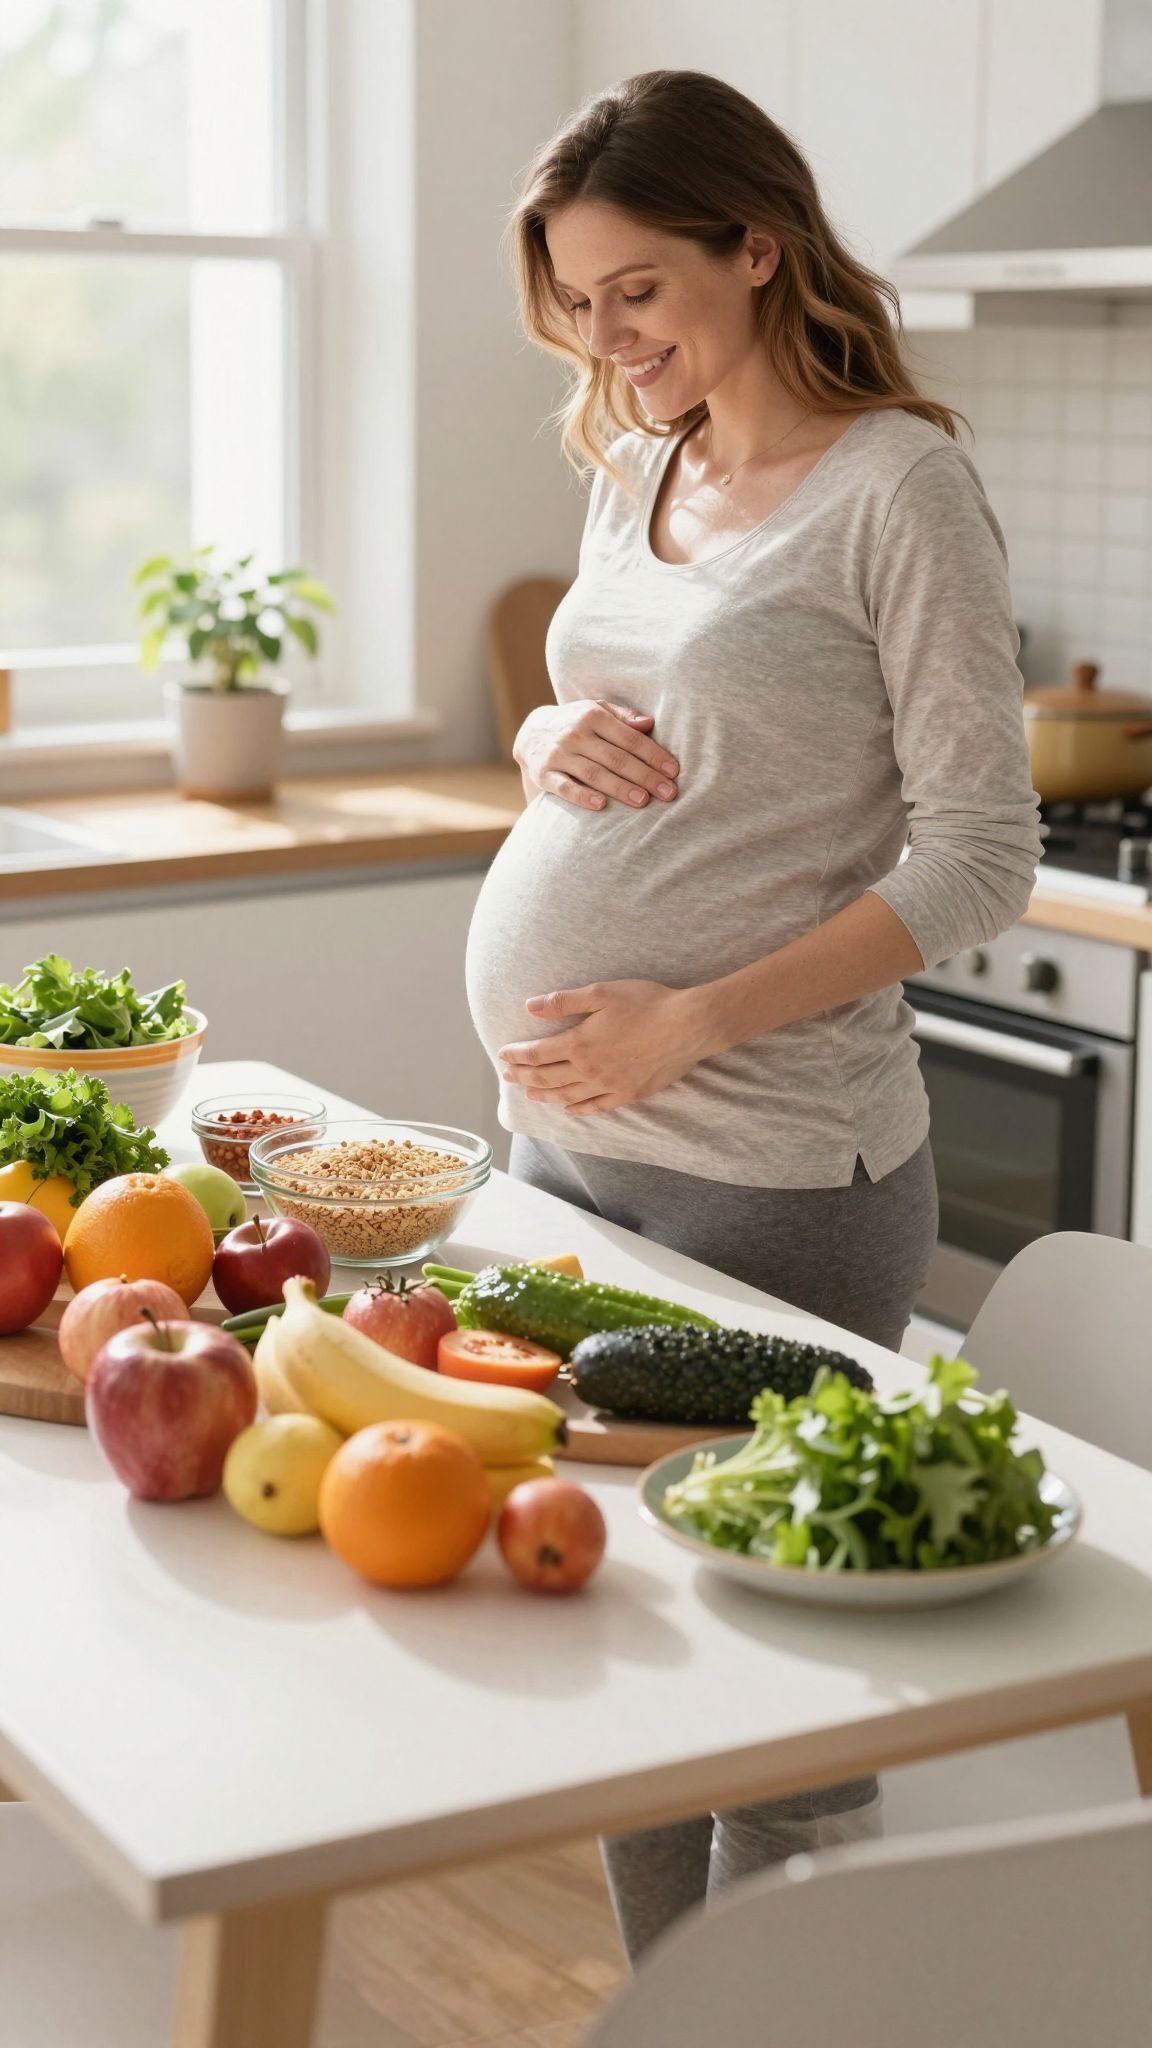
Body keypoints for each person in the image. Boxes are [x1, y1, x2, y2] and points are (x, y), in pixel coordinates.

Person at [464, 68, 1042, 1965]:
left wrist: (691, 1021)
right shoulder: (642, 460)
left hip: (770, 1170)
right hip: (568, 1153)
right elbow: (619, 712)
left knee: (776, 1704)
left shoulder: (899, 488)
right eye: (578, 300)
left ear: (758, 247)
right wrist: (543, 735)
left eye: (638, 289)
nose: (606, 337)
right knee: (630, 1665)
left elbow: (983, 856)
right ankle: (675, 2010)